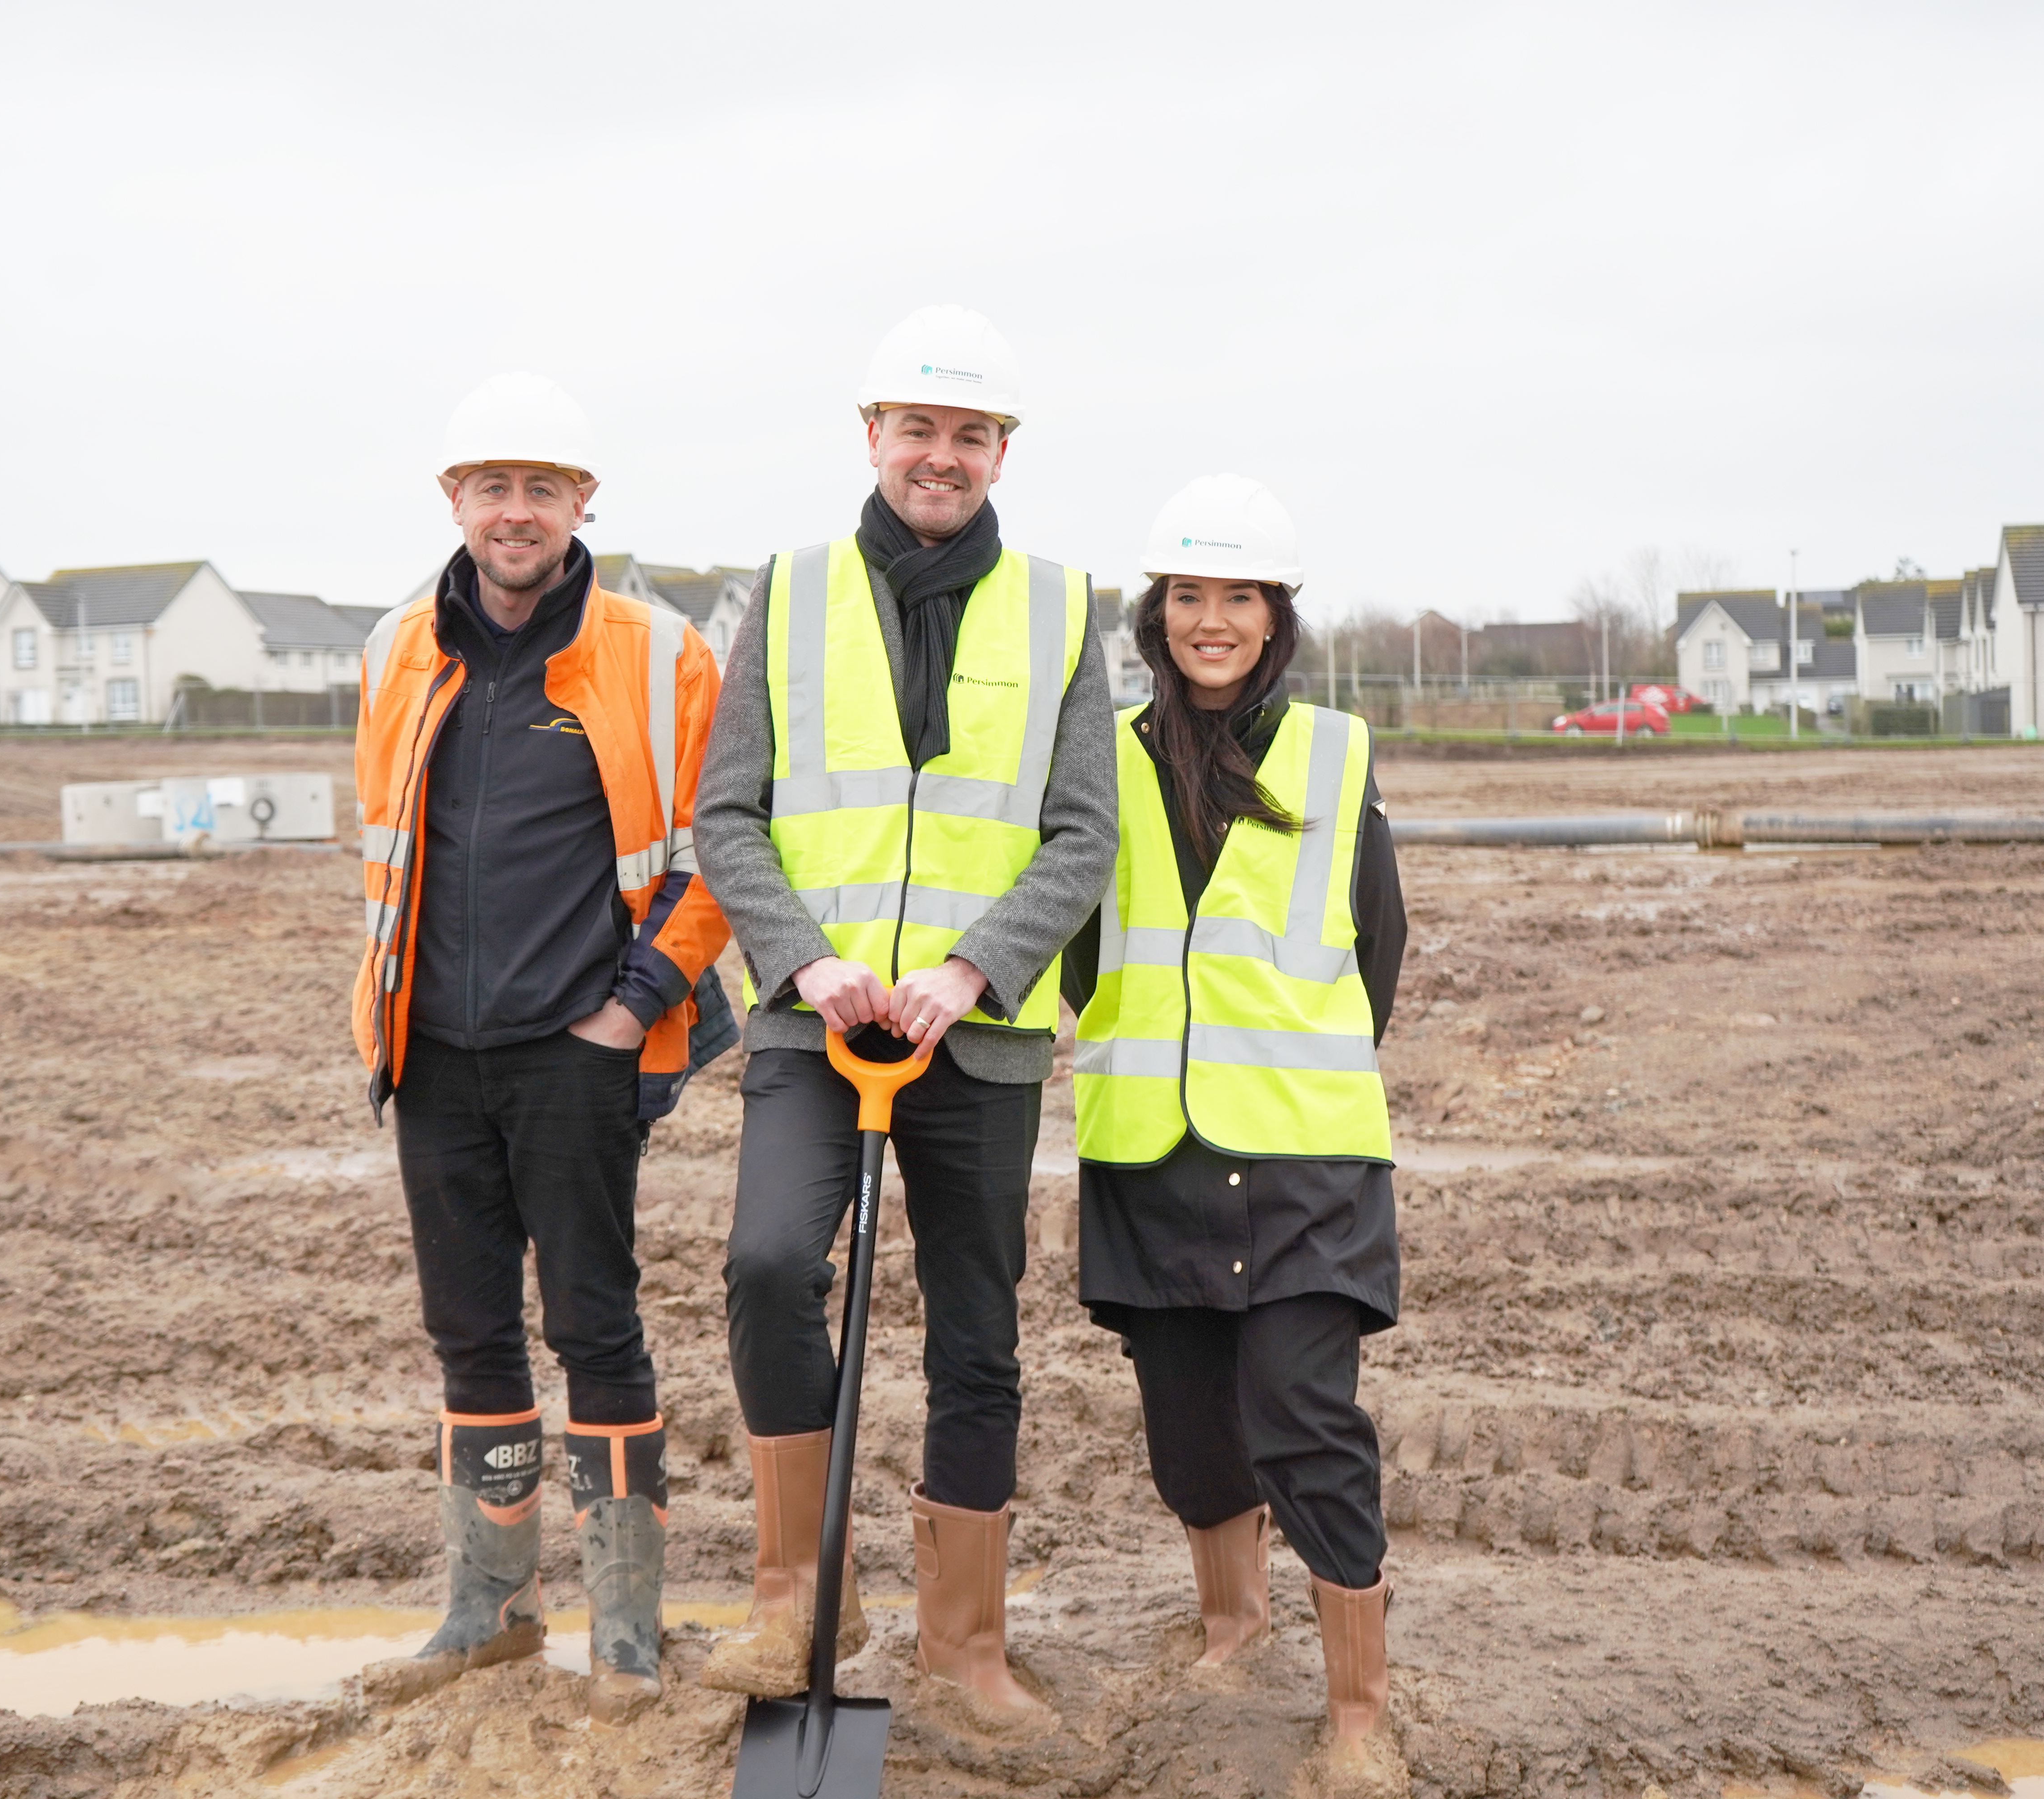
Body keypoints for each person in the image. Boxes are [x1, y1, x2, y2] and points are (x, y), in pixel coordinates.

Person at [693, 305, 1117, 1730]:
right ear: (871, 436)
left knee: (976, 1332)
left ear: (1004, 451)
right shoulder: (789, 593)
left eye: (971, 434)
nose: (943, 455)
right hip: (816, 1023)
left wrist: (974, 970)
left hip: (976, 1037)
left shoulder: (1063, 610)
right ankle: (796, 1600)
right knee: (767, 1266)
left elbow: (1081, 833)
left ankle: (964, 1648)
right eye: (919, 428)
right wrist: (807, 963)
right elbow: (729, 814)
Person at [349, 371, 734, 1725]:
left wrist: (631, 1009)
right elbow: (388, 847)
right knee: (469, 1333)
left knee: (595, 1327)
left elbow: (723, 851)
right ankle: (491, 1612)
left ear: (583, 505)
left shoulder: (660, 654)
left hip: (577, 1054)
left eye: (543, 489)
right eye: (492, 487)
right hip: (432, 1054)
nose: (516, 512)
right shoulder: (397, 649)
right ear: (453, 501)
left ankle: (627, 1632)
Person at [1061, 474, 1407, 1795]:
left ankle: (1360, 1712)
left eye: (1240, 597)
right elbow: (1080, 946)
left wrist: (1285, 1054)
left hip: (1306, 1148)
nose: (1213, 620)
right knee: (1192, 1427)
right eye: (1190, 595)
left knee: (1301, 1410)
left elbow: (1378, 947)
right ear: (1158, 613)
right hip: (1154, 1144)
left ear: (1277, 616)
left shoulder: (1335, 752)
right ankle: (1231, 1628)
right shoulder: (1104, 752)